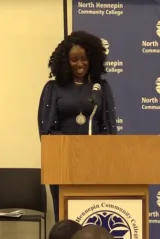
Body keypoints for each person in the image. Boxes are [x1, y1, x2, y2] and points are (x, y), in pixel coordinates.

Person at [38, 30, 117, 222]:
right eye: (74, 60)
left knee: (92, 216)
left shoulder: (101, 87)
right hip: (63, 162)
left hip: (95, 161)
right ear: (65, 62)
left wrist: (96, 148)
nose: (80, 64)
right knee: (66, 219)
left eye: (84, 58)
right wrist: (72, 147)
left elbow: (109, 127)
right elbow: (46, 130)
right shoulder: (53, 88)